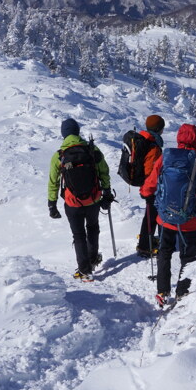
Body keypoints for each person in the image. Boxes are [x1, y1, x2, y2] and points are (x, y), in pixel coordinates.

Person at [141, 123, 196, 305]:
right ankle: (183, 292)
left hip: (165, 218)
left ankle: (162, 291)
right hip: (191, 221)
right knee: (188, 257)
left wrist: (145, 193)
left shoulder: (165, 158)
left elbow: (151, 183)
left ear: (179, 138)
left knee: (164, 252)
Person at [48, 118, 114, 281]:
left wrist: (52, 204)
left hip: (72, 202)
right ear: (77, 132)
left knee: (78, 235)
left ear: (64, 135)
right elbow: (104, 172)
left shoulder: (59, 156)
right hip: (92, 199)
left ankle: (84, 270)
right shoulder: (92, 149)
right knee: (93, 227)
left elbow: (53, 181)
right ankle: (92, 259)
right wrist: (106, 192)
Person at [134, 115, 165, 258]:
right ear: (159, 129)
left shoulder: (145, 140)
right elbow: (150, 171)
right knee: (152, 216)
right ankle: (145, 247)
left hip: (148, 187)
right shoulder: (153, 146)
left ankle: (148, 241)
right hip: (151, 188)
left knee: (151, 214)